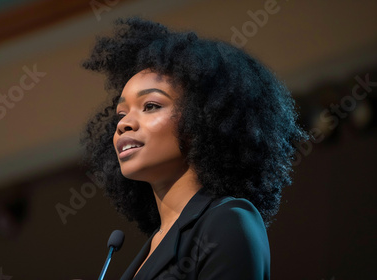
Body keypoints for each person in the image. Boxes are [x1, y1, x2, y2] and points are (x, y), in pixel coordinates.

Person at [80, 17, 307, 279]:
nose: (124, 125)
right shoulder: (150, 248)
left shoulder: (228, 221)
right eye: (121, 114)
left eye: (150, 106)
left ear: (202, 118)